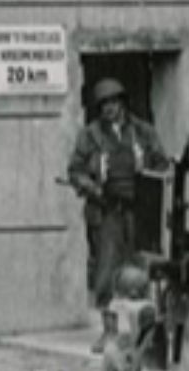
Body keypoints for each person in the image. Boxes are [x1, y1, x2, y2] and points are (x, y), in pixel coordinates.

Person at [65, 78, 167, 351]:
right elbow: (74, 170)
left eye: (113, 102)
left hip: (140, 210)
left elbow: (162, 163)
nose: (109, 108)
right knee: (106, 271)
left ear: (123, 102)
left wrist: (151, 178)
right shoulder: (90, 135)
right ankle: (109, 331)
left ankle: (145, 333)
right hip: (107, 210)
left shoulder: (143, 132)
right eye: (104, 104)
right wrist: (90, 185)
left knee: (144, 269)